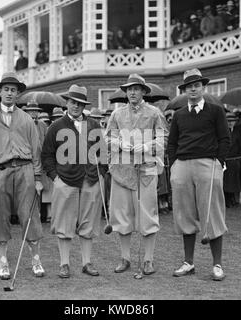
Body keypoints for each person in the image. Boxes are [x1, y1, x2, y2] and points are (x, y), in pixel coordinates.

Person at [0, 72, 45, 280]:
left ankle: (36, 260)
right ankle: (3, 263)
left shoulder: (26, 119)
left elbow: (36, 150)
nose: (10, 93)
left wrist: (38, 178)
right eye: (6, 89)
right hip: (0, 172)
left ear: (18, 94)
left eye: (13, 90)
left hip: (25, 171)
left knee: (30, 215)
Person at [168, 68, 230, 281]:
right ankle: (188, 262)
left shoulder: (215, 111)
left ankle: (217, 265)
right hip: (182, 166)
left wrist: (219, 162)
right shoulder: (179, 115)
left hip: (208, 165)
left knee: (212, 214)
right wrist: (174, 166)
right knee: (185, 215)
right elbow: (172, 143)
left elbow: (224, 139)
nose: (192, 89)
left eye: (196, 85)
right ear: (184, 90)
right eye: (188, 86)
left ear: (203, 87)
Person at [105, 74, 168, 276]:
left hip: (146, 170)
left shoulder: (155, 113)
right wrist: (119, 144)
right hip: (121, 170)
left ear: (143, 91)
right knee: (122, 216)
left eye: (136, 88)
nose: (132, 92)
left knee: (147, 216)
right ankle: (125, 259)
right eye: (129, 89)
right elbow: (108, 139)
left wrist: (147, 145)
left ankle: (148, 260)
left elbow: (163, 139)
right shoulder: (116, 115)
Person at [41, 84, 106, 278]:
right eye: (72, 102)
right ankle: (64, 264)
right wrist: (55, 178)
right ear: (67, 102)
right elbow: (47, 155)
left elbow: (103, 153)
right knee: (64, 223)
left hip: (91, 180)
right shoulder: (56, 126)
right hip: (66, 181)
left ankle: (87, 263)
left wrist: (101, 173)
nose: (75, 106)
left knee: (88, 223)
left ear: (84, 105)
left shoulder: (94, 125)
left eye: (79, 103)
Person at [223, 112, 241, 208]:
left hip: (235, 160)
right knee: (226, 181)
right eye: (228, 121)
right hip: (226, 160)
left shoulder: (237, 132)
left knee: (234, 180)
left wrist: (239, 157)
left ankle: (233, 198)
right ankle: (227, 200)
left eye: (232, 121)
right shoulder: (222, 132)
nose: (230, 123)